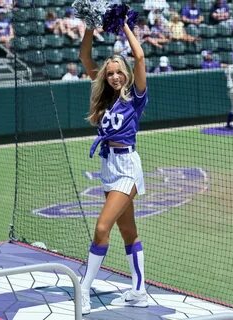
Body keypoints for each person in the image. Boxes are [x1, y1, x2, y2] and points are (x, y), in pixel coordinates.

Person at [79, 20, 148, 315]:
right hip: (109, 166)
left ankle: (83, 288)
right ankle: (139, 291)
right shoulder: (105, 96)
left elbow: (140, 57)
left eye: (120, 72)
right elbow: (85, 58)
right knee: (128, 231)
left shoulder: (136, 96)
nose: (115, 76)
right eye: (111, 73)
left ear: (127, 74)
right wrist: (91, 28)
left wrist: (123, 26)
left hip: (128, 167)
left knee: (102, 227)